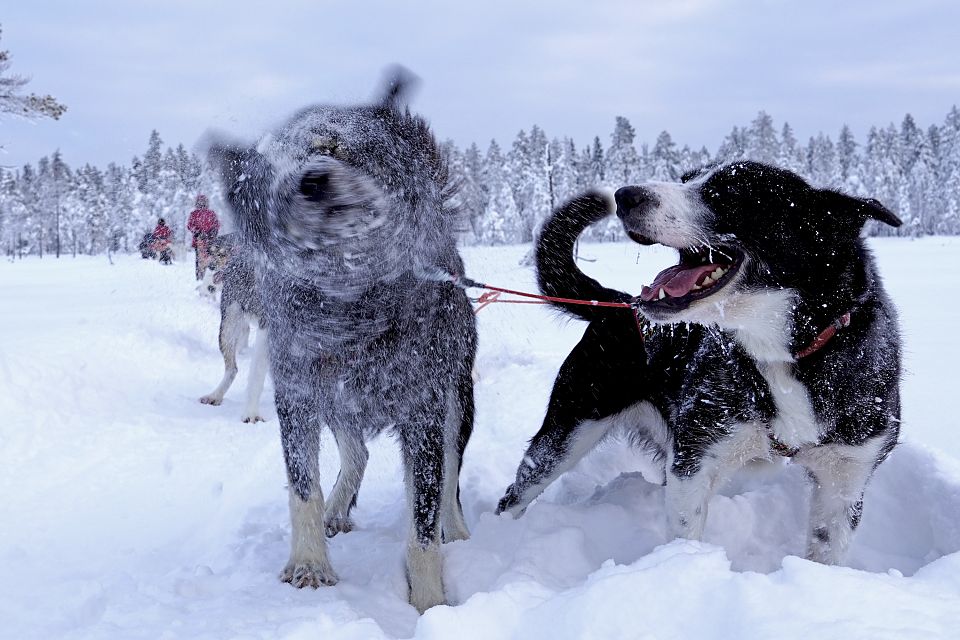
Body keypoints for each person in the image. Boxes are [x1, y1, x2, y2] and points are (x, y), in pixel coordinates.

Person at [187, 194, 221, 280]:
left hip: (210, 240)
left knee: (211, 258)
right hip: (199, 241)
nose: (201, 203)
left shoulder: (211, 213)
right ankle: (200, 276)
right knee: (200, 259)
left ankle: (209, 276)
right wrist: (198, 232)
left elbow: (217, 224)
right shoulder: (194, 214)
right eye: (200, 202)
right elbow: (190, 225)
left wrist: (212, 232)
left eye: (203, 201)